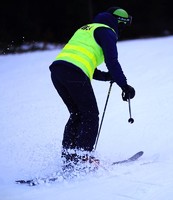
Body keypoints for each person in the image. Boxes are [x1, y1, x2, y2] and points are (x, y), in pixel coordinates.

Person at [49, 7, 135, 170]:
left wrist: (107, 76)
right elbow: (112, 62)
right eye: (123, 26)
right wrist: (124, 85)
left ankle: (69, 158)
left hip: (57, 71)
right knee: (90, 115)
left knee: (77, 114)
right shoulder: (107, 32)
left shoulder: (86, 29)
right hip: (74, 73)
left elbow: (81, 60)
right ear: (118, 22)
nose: (121, 30)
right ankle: (83, 157)